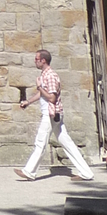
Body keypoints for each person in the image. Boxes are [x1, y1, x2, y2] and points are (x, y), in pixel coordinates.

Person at [15, 48, 95, 182]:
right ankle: (86, 173)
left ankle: (29, 171)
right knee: (67, 143)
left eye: (37, 59)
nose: (35, 61)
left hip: (50, 114)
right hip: (53, 114)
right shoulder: (45, 75)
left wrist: (39, 87)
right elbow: (42, 94)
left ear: (43, 60)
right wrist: (28, 102)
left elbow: (51, 98)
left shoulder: (50, 76)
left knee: (40, 142)